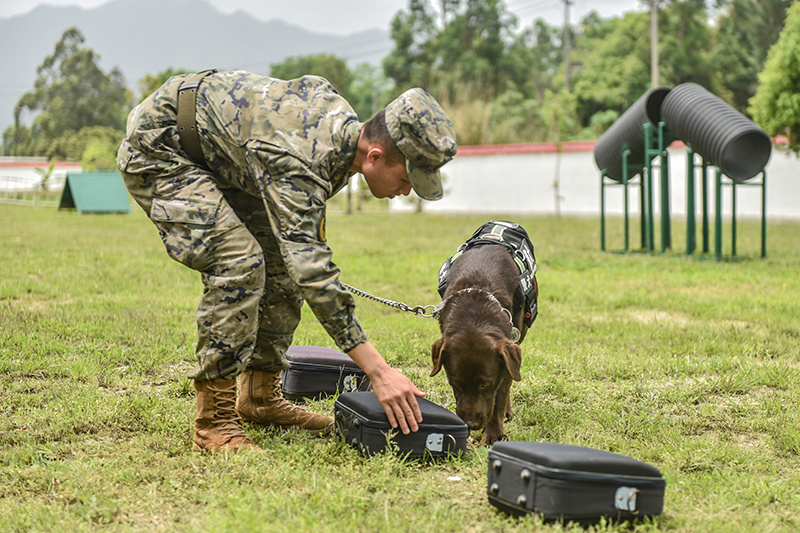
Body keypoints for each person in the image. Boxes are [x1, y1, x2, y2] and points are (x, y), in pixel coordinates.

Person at [116, 69, 457, 453]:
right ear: (375, 155)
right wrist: (379, 371)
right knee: (239, 264)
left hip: (227, 157)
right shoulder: (302, 155)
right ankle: (214, 422)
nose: (408, 190)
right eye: (407, 177)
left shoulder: (343, 139)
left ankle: (260, 398)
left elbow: (299, 256)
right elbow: (312, 270)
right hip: (163, 148)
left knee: (279, 264)